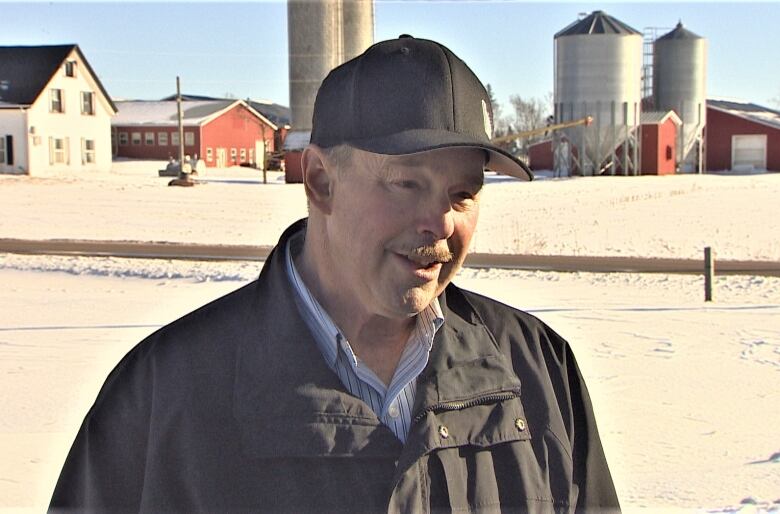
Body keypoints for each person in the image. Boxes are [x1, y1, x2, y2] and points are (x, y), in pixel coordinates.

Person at [50, 36, 620, 513]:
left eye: (463, 193)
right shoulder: (163, 394)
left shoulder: (539, 371)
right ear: (321, 181)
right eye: (407, 183)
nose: (441, 223)